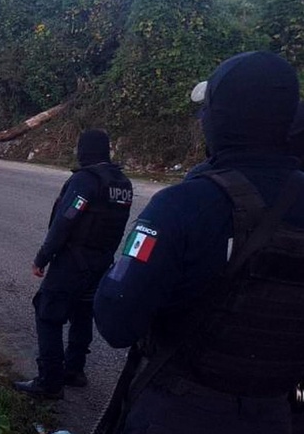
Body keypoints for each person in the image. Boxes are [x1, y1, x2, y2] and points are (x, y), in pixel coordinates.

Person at [94, 51, 304, 434]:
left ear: (218, 118)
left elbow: (115, 320)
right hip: (277, 415)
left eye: (205, 109)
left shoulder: (184, 205)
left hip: (179, 411)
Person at [14, 129, 134, 399]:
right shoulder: (122, 184)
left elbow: (66, 221)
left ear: (84, 151)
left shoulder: (85, 181)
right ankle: (74, 370)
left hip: (74, 261)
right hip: (103, 262)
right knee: (82, 312)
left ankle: (50, 381)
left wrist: (42, 257)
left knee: (47, 312)